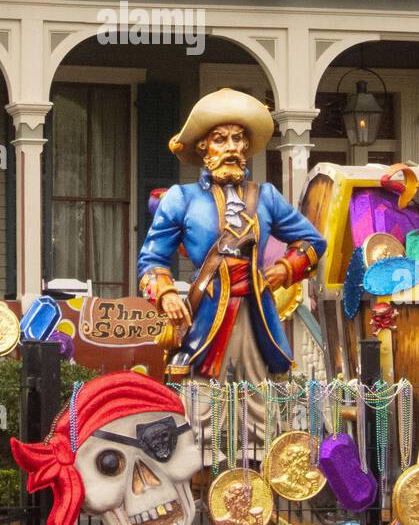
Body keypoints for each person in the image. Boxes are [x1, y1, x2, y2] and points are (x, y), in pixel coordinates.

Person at [137, 88, 325, 385]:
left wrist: (286, 268)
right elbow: (151, 260)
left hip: (257, 316)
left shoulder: (267, 197)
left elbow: (313, 241)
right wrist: (167, 293)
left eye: (237, 139)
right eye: (220, 139)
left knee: (259, 406)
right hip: (204, 317)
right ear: (204, 148)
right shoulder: (181, 198)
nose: (231, 147)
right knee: (201, 410)